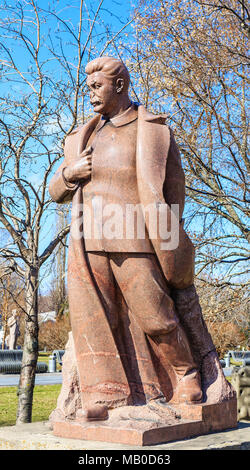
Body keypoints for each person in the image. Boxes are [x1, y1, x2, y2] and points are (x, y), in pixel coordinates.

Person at [49, 57, 234, 421]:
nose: (90, 94)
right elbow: (56, 190)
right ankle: (107, 397)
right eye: (88, 88)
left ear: (119, 87)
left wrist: (167, 236)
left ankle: (187, 376)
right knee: (97, 322)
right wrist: (71, 173)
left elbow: (174, 189)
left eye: (96, 87)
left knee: (156, 315)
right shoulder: (82, 135)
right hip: (89, 243)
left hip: (135, 236)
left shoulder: (151, 130)